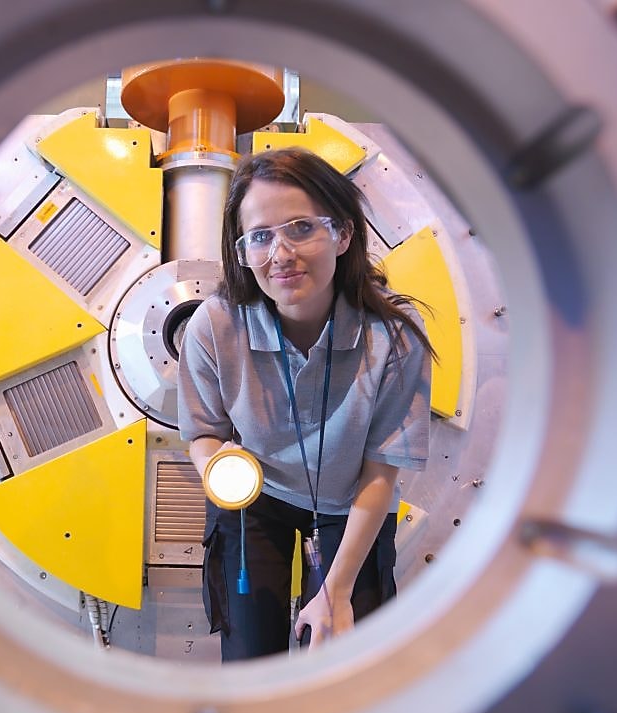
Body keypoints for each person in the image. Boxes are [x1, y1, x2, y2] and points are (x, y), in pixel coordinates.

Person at [177, 147, 436, 661]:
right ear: (242, 249)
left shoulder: (394, 337)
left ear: (342, 234)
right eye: (261, 236)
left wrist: (335, 590)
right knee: (252, 660)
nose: (280, 254)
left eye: (301, 228)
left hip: (351, 500)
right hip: (256, 498)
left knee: (341, 654)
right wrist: (218, 468)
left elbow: (381, 470)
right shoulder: (215, 325)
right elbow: (202, 431)